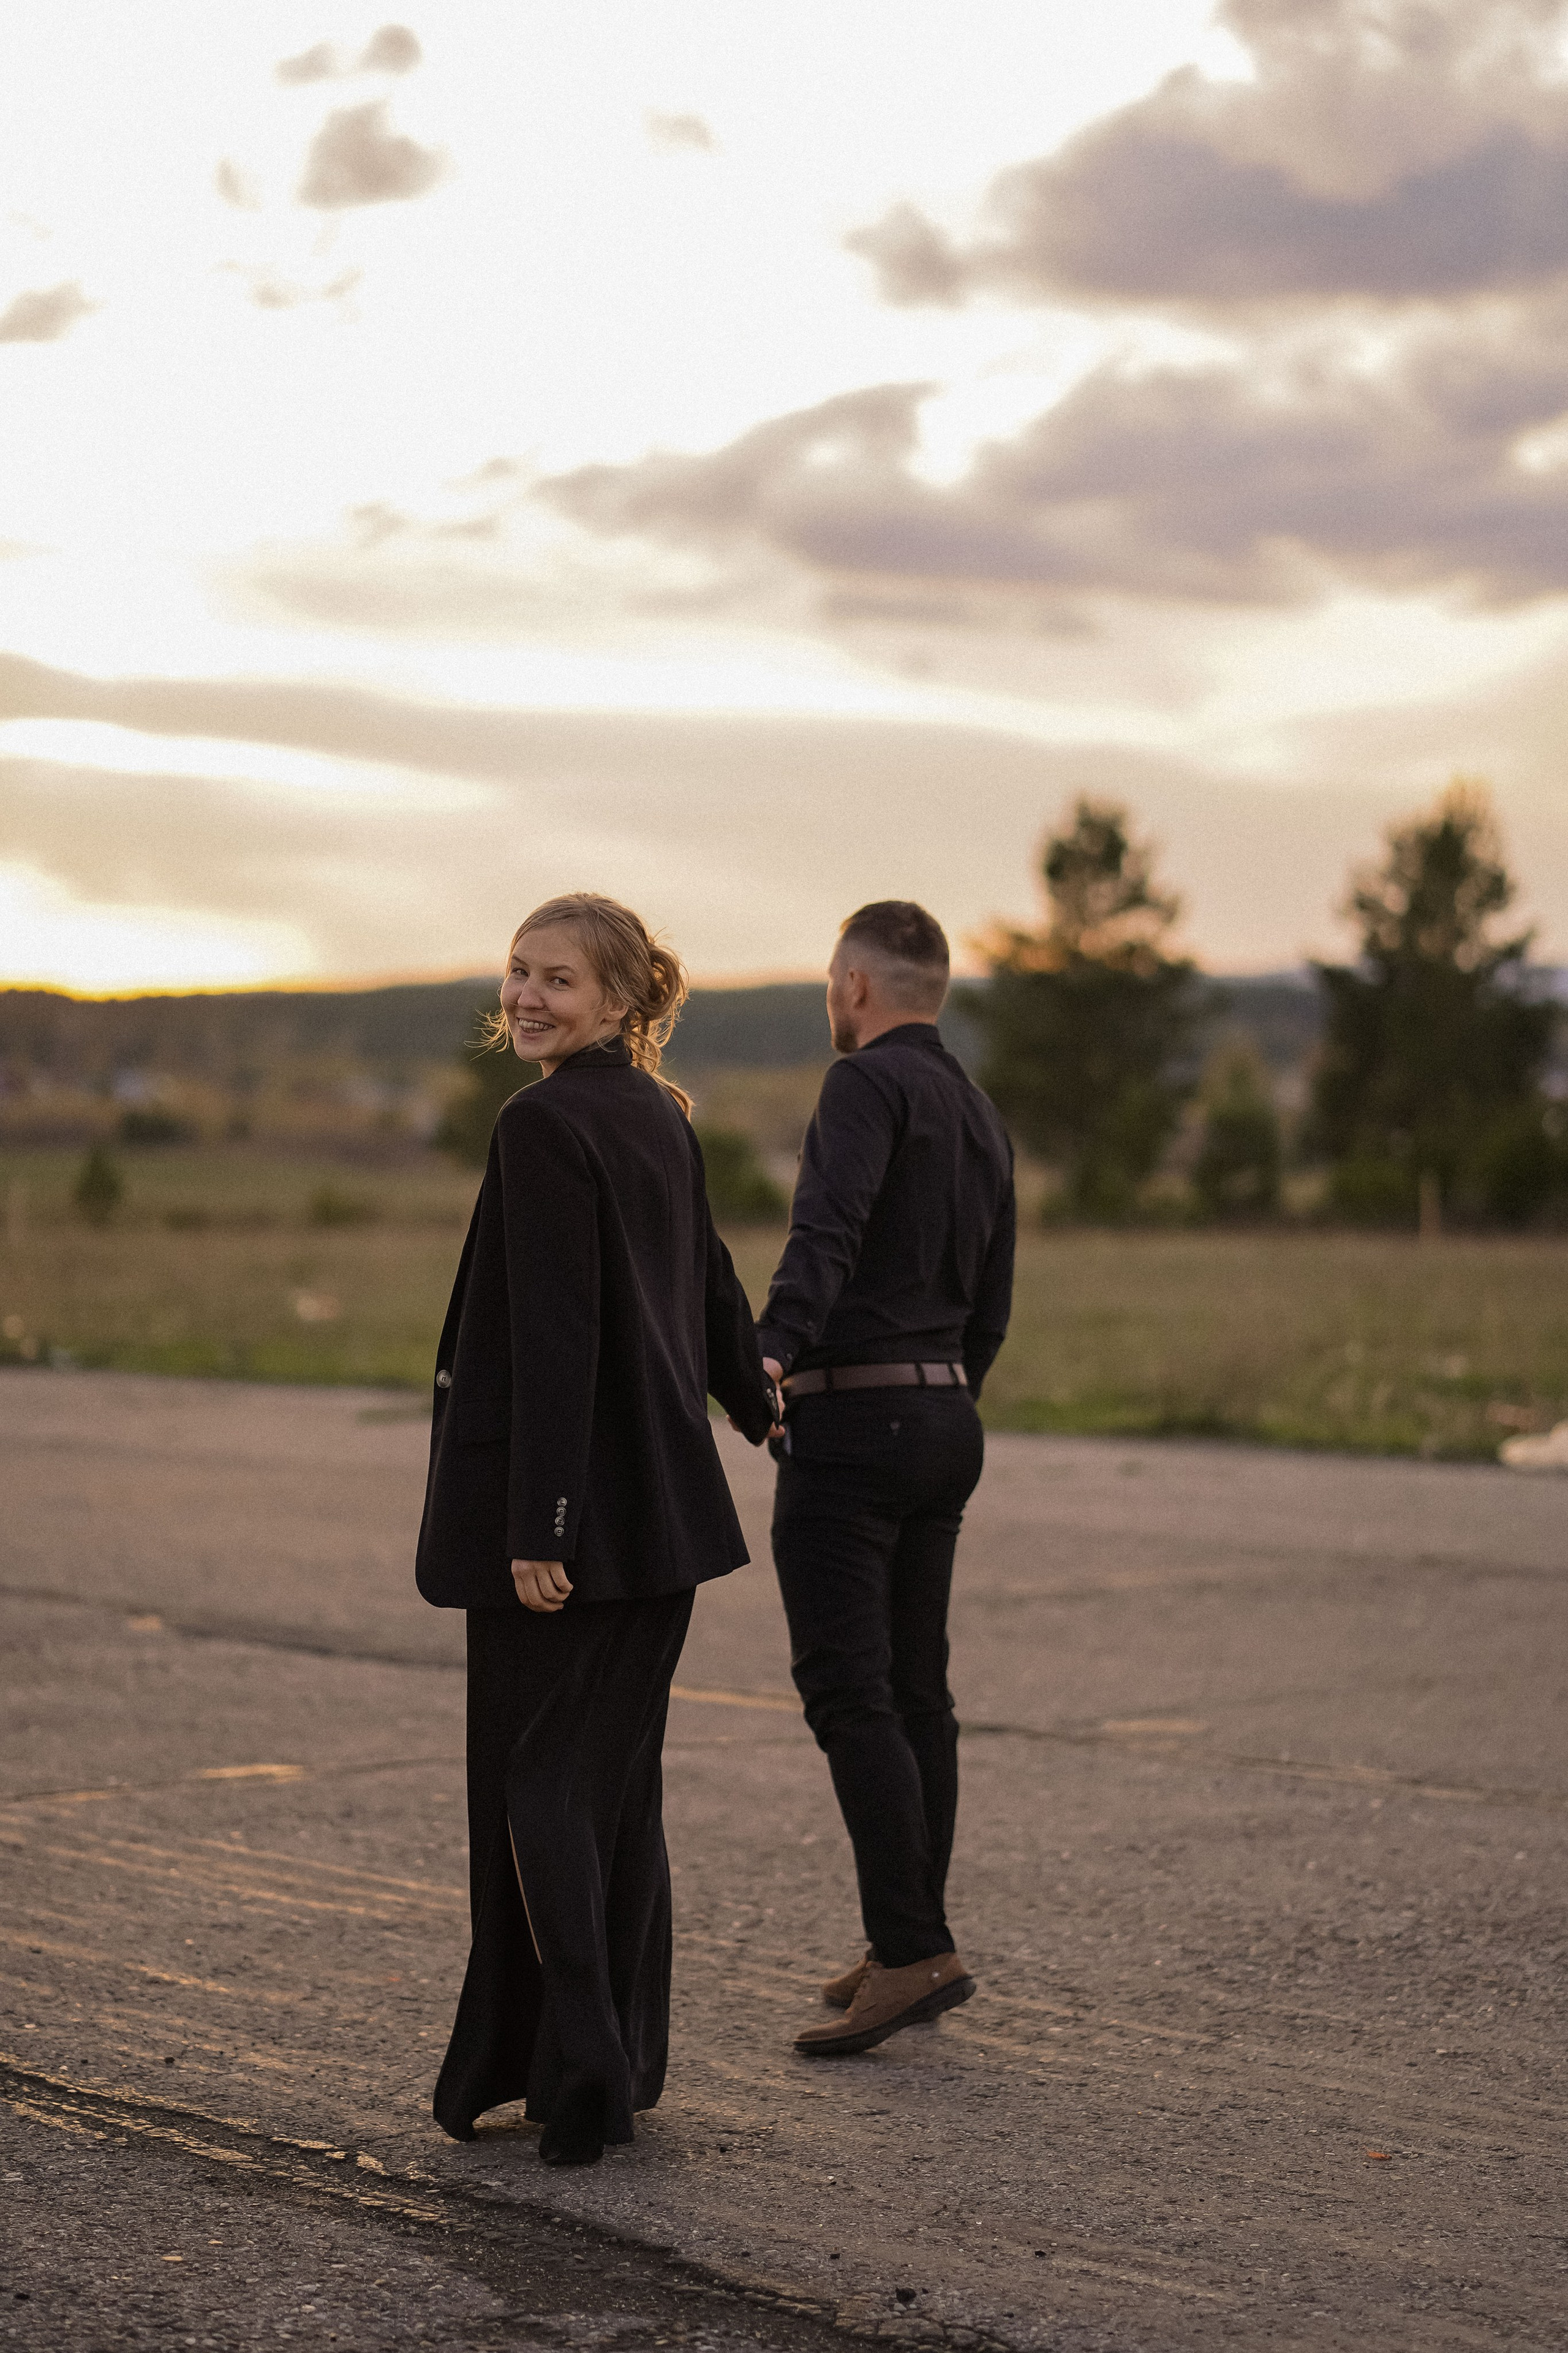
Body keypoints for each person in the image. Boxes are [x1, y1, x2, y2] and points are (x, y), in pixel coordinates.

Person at [416, 893, 777, 2165]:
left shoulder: (545, 1122)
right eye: (517, 972)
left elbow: (556, 1338)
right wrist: (756, 1404)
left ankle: (589, 2076)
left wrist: (541, 1523)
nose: (524, 997)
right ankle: (600, 2050)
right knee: (610, 1790)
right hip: (662, 1524)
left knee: (539, 1789)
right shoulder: (655, 1117)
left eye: (556, 980)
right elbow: (713, 1280)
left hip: (570, 1533)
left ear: (620, 1001)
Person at [756, 901, 1015, 2058]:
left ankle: (908, 1948)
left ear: (857, 986)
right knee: (919, 1694)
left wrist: (770, 1352)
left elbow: (829, 1228)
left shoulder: (862, 1087)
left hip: (855, 1421)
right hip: (945, 1412)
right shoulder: (980, 1110)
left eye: (829, 979)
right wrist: (947, 1394)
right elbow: (995, 1292)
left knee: (850, 1692)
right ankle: (911, 1934)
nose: (830, 997)